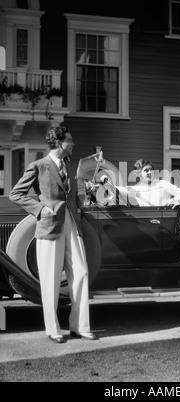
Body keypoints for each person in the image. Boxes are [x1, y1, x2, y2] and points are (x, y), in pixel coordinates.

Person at [9, 126, 97, 344]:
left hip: (72, 224)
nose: (73, 144)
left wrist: (81, 210)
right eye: (70, 140)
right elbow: (16, 194)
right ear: (59, 143)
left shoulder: (71, 165)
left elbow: (73, 196)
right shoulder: (38, 166)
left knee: (82, 272)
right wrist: (40, 209)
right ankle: (53, 328)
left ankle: (80, 326)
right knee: (50, 279)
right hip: (49, 225)